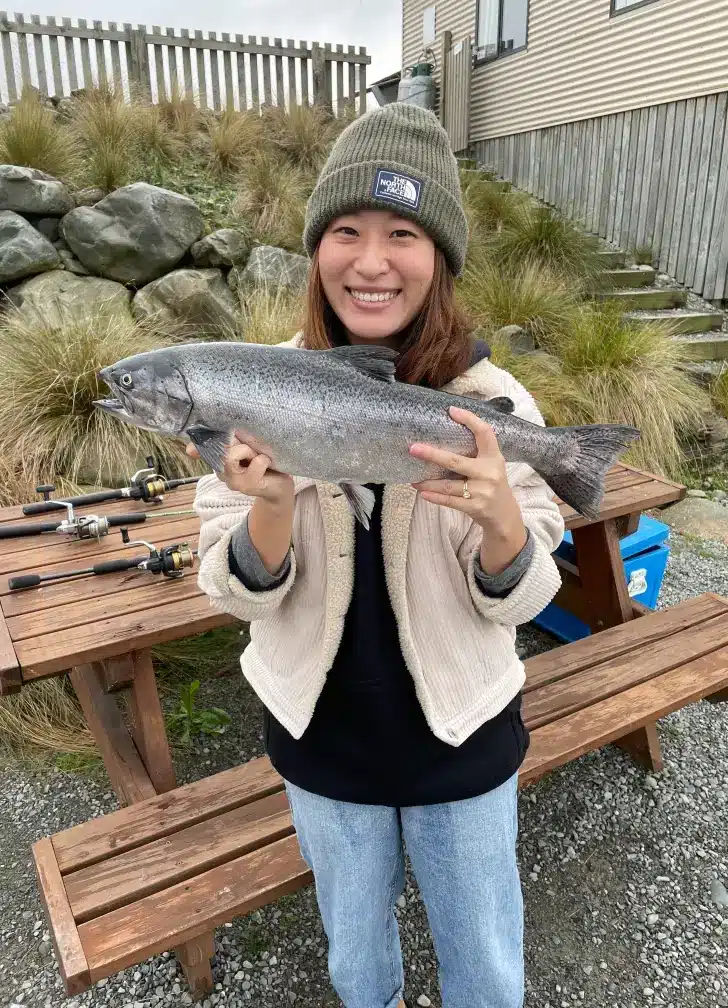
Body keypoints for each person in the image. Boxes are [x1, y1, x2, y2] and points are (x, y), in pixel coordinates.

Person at [191, 102, 564, 1008]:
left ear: (438, 256)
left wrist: (505, 526)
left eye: (402, 232)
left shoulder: (490, 398)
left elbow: (526, 591)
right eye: (346, 231)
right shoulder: (247, 383)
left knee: (485, 966)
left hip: (464, 734)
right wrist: (270, 510)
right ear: (316, 250)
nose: (370, 260)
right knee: (357, 968)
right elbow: (227, 587)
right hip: (320, 740)